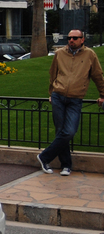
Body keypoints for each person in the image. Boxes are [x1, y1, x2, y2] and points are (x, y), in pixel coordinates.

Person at [37, 29, 104, 176]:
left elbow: (98, 75)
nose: (71, 40)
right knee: (61, 131)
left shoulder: (90, 55)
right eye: (69, 38)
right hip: (58, 96)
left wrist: (102, 94)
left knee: (69, 131)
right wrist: (51, 93)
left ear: (82, 39)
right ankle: (66, 165)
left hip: (76, 98)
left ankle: (44, 157)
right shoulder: (60, 53)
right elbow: (53, 73)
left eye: (75, 38)